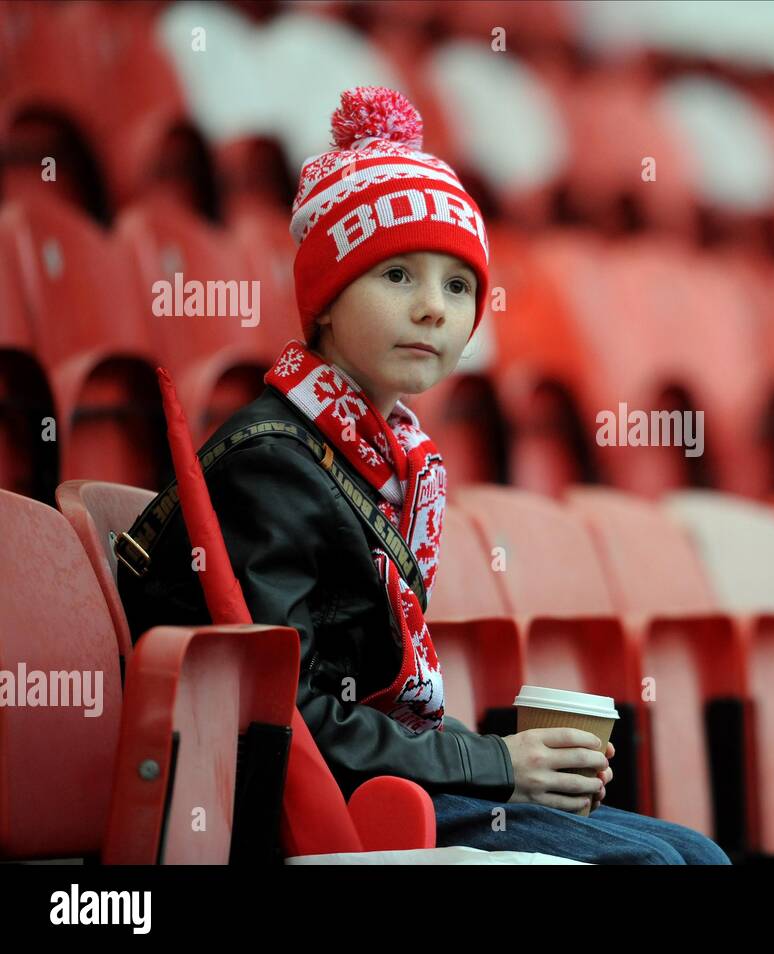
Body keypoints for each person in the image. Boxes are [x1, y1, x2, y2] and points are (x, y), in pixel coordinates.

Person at [117, 86, 730, 865]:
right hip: (321, 810)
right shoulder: (273, 461)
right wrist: (499, 766)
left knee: (697, 854)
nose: (434, 309)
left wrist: (500, 762)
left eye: (458, 285)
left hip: (395, 784)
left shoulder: (390, 461)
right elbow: (290, 715)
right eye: (397, 276)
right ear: (327, 304)